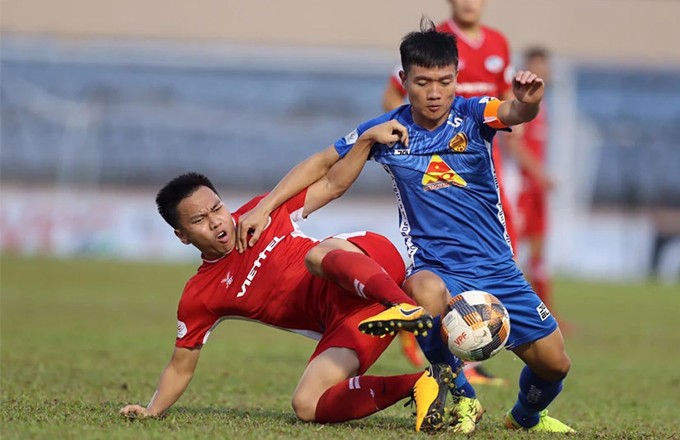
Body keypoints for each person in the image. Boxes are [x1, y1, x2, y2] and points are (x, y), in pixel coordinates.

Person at [238, 20, 574, 434]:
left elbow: (513, 111)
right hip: (436, 267)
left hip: (497, 269)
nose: (434, 92)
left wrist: (529, 102)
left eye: (444, 81)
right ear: (404, 80)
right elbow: (325, 168)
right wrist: (268, 207)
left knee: (555, 365)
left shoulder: (473, 114)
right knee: (422, 293)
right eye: (423, 82)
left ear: (456, 80)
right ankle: (463, 398)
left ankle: (524, 417)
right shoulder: (387, 130)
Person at [118, 121, 458, 434]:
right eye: (200, 221)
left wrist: (365, 139)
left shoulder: (259, 212)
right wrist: (152, 411)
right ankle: (422, 382)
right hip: (355, 319)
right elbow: (180, 367)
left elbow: (332, 182)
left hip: (367, 261)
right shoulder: (200, 295)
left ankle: (403, 305)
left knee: (316, 256)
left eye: (217, 209)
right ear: (182, 236)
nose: (217, 222)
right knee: (307, 404)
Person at [382, 0, 518, 381]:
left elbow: (507, 104)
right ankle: (443, 346)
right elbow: (392, 98)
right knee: (440, 266)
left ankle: (471, 340)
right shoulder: (435, 44)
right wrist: (415, 146)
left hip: (480, 166)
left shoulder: (498, 44)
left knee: (504, 247)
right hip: (438, 168)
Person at [510, 46, 558, 318]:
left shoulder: (544, 106)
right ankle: (512, 311)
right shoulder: (521, 105)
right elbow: (514, 144)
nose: (541, 73)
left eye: (544, 68)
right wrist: (539, 174)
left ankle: (547, 312)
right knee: (513, 251)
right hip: (519, 187)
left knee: (539, 250)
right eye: (535, 68)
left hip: (536, 188)